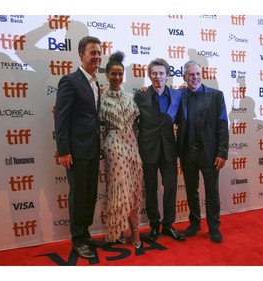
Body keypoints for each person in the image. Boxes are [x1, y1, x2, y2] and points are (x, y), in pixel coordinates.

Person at [54, 36, 103, 259]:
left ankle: (85, 234)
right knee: (78, 196)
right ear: (81, 55)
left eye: (99, 53)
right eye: (93, 52)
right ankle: (78, 239)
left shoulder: (95, 83)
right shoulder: (69, 81)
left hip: (92, 150)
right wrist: (63, 150)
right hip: (75, 152)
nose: (97, 56)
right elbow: (61, 119)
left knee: (90, 194)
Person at [176, 60, 229, 243]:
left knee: (212, 192)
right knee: (191, 190)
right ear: (184, 77)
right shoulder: (178, 95)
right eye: (191, 74)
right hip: (187, 152)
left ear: (202, 75)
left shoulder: (216, 96)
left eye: (198, 74)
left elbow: (223, 125)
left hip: (210, 154)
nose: (195, 77)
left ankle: (214, 227)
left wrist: (222, 153)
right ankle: (195, 223)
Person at [134, 58, 185, 242]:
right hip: (147, 148)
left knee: (171, 187)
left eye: (161, 73)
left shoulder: (177, 95)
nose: (158, 77)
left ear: (167, 75)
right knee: (151, 188)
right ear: (149, 76)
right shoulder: (140, 96)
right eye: (154, 73)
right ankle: (154, 225)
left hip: (169, 148)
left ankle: (168, 224)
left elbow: (182, 119)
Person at [100, 51, 143, 249]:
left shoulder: (131, 97)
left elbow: (138, 122)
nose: (117, 77)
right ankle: (128, 231)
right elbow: (98, 126)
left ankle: (129, 229)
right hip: (114, 147)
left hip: (132, 147)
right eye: (113, 74)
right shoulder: (100, 99)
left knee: (133, 190)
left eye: (120, 74)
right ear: (107, 75)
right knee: (120, 189)